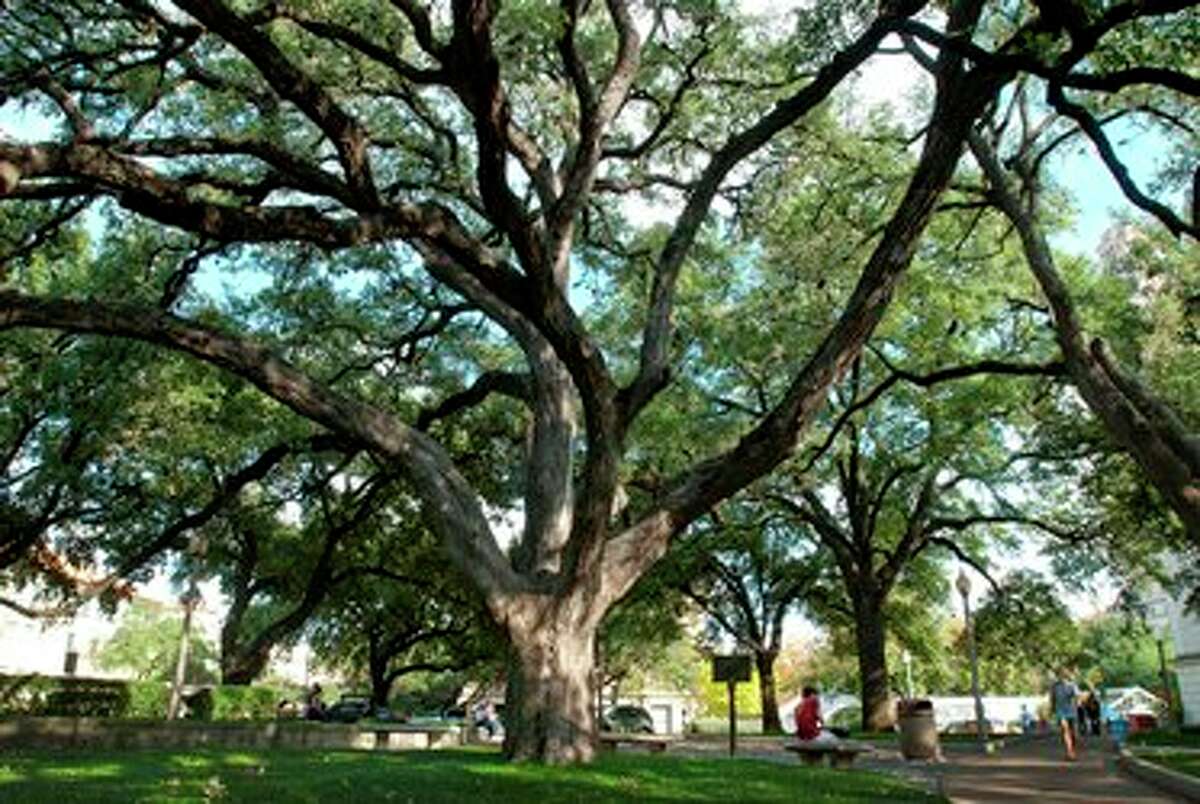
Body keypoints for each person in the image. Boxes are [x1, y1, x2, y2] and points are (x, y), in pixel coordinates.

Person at [1050, 670, 1079, 760]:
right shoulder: (1055, 686)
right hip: (1060, 711)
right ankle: (1069, 752)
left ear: (1066, 676)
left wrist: (1075, 701)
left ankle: (1073, 748)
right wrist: (1053, 709)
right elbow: (1052, 698)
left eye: (1063, 675)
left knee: (1073, 732)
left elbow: (1077, 696)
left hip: (1071, 710)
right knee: (1065, 730)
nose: (1061, 677)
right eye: (1059, 675)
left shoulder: (1072, 685)